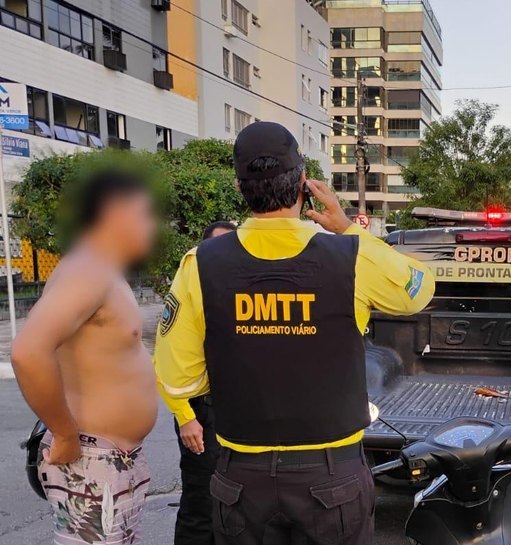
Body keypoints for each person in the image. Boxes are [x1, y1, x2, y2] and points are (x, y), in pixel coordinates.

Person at [154, 121, 436, 545]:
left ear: (239, 186)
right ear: (304, 182)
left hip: (241, 480)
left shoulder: (201, 265)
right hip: (331, 477)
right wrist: (346, 227)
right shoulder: (349, 256)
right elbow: (417, 290)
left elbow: (180, 379)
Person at [11, 170, 158, 544]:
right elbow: (28, 352)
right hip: (92, 462)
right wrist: (63, 433)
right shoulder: (87, 270)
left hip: (114, 462)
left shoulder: (106, 270)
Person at [160, 221, 237, 545]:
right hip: (201, 414)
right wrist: (185, 416)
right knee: (200, 501)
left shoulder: (238, 290)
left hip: (236, 414)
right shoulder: (192, 289)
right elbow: (168, 359)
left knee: (233, 504)